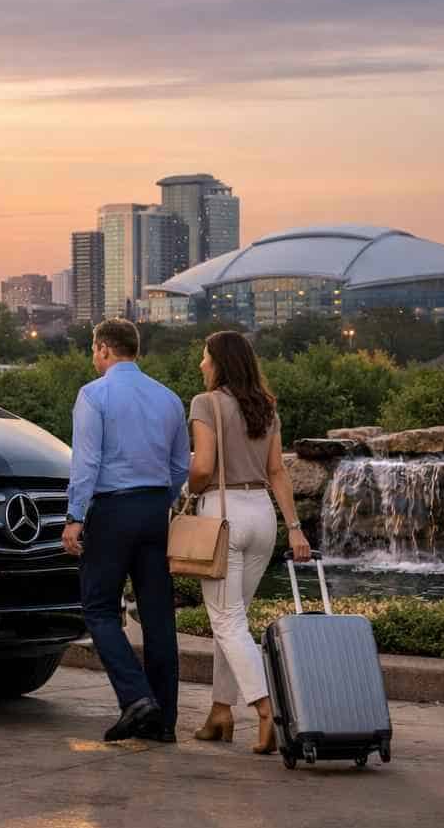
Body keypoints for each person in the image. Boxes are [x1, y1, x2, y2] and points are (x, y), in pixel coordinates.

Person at [62, 318, 189, 743]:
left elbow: (86, 463)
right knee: (158, 617)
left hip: (113, 510)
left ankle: (136, 699)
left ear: (103, 350)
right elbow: (179, 468)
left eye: (92, 349)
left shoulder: (93, 395)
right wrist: (161, 502)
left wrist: (74, 516)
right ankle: (164, 721)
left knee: (98, 608)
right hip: (156, 510)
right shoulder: (169, 398)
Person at [188, 330, 312, 754]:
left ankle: (267, 710)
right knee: (234, 619)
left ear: (220, 363)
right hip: (263, 515)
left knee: (226, 621)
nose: (201, 365)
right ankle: (220, 713)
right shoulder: (266, 407)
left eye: (205, 358)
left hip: (223, 515)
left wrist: (185, 488)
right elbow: (278, 471)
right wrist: (294, 527)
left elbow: (203, 467)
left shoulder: (206, 404)